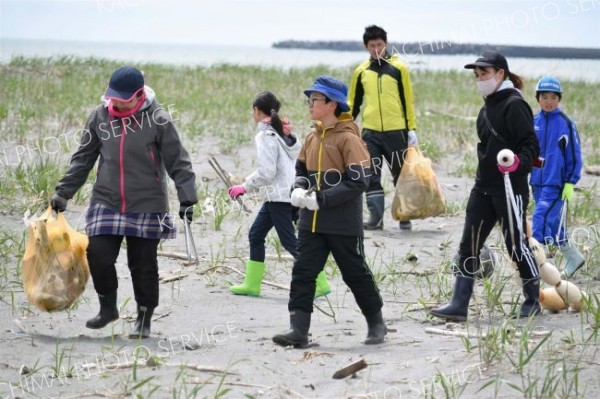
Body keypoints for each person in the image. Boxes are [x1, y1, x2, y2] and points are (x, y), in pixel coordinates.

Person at [50, 66, 197, 339]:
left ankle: (144, 317)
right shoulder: (99, 117)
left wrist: (187, 197)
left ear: (139, 95)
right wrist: (63, 192)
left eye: (123, 99)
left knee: (142, 263)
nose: (116, 103)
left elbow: (179, 160)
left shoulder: (158, 120)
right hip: (107, 199)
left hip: (147, 203)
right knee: (98, 255)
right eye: (113, 97)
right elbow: (83, 159)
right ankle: (108, 307)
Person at [272, 76, 386, 348]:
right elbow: (301, 170)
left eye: (315, 100)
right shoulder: (312, 137)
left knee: (354, 273)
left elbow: (361, 180)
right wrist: (299, 188)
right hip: (310, 223)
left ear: (332, 104)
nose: (310, 105)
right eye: (309, 100)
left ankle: (376, 323)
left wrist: (322, 199)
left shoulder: (349, 139)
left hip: (343, 224)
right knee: (303, 272)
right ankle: (298, 330)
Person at [430, 51, 542, 320]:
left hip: (509, 187)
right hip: (483, 186)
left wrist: (516, 163)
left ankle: (533, 300)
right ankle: (459, 304)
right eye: (477, 75)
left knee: (516, 245)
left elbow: (531, 146)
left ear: (500, 74)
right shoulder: (487, 106)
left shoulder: (515, 104)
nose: (480, 79)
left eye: (485, 73)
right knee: (469, 244)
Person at [227, 91, 331, 297]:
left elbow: (267, 172)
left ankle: (320, 282)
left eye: (252, 110)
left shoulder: (265, 136)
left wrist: (244, 187)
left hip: (279, 196)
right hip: (283, 193)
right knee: (255, 235)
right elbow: (295, 153)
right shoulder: (282, 134)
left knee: (289, 242)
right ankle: (252, 284)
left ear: (257, 111)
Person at [348, 25, 418, 231]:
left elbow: (408, 100)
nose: (376, 49)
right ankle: (375, 218)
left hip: (397, 131)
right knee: (371, 175)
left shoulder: (399, 68)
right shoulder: (361, 72)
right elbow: (354, 103)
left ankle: (405, 216)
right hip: (370, 132)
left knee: (400, 174)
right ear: (366, 46)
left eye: (380, 45)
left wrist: (411, 129)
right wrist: (346, 126)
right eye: (372, 46)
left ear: (385, 43)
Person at [530, 77, 584, 278]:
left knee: (540, 217)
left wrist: (570, 181)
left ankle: (534, 264)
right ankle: (574, 257)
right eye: (544, 97)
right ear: (538, 98)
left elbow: (575, 155)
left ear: (559, 99)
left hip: (557, 183)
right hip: (536, 181)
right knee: (553, 224)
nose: (549, 101)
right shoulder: (533, 122)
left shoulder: (566, 124)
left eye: (553, 97)